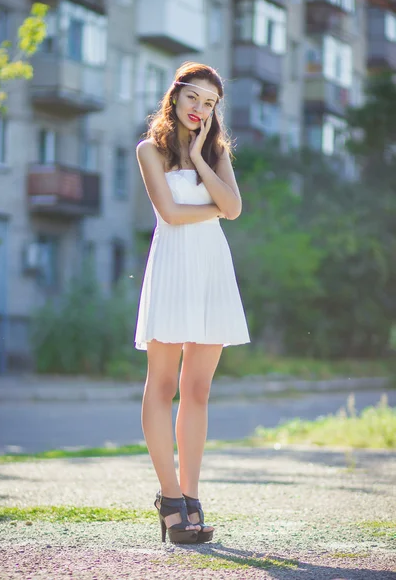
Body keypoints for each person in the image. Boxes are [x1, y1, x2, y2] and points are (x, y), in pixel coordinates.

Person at [134, 61, 250, 544]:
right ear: (175, 96)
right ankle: (169, 499)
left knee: (198, 390)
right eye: (193, 98)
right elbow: (171, 213)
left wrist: (203, 159)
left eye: (210, 103)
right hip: (174, 266)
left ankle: (191, 498)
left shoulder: (217, 152)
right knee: (162, 384)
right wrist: (215, 207)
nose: (200, 109)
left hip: (211, 269)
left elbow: (236, 208)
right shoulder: (150, 151)